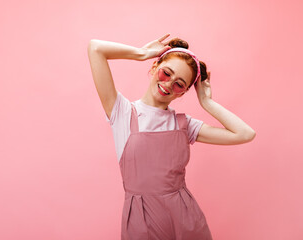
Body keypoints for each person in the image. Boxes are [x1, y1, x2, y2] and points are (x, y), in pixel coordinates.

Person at [87, 33, 256, 240]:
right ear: (155, 67)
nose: (168, 84)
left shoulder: (184, 124)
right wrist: (142, 53)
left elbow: (245, 134)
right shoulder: (122, 112)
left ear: (183, 93)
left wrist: (206, 102)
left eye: (179, 84)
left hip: (186, 218)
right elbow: (96, 48)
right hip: (141, 220)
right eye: (166, 73)